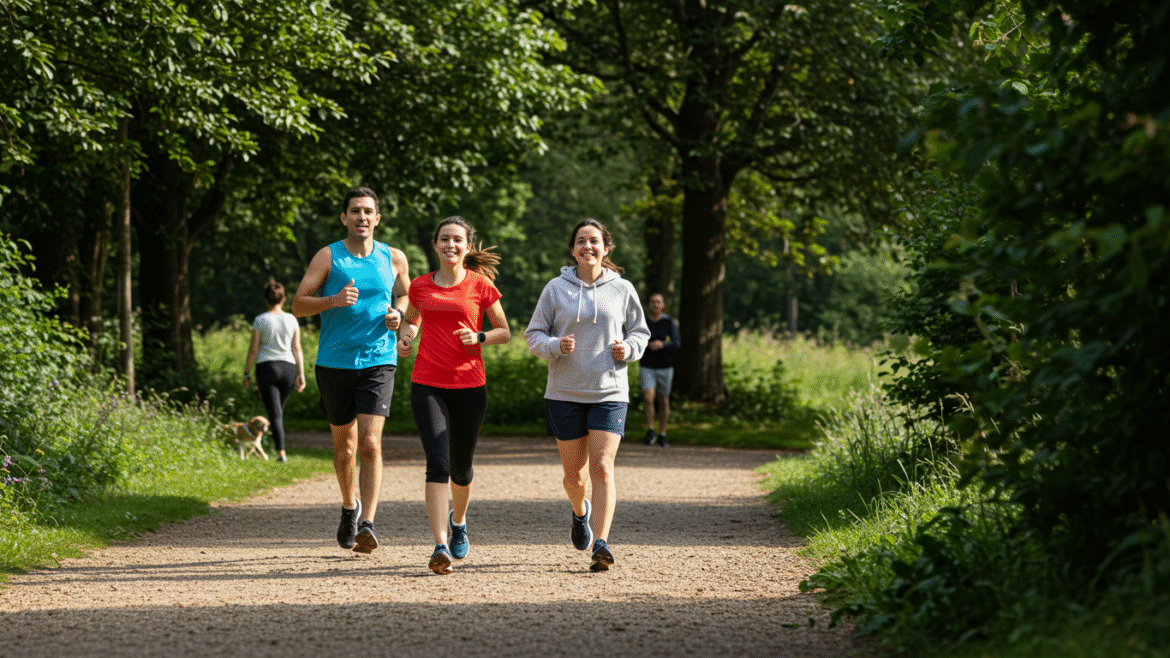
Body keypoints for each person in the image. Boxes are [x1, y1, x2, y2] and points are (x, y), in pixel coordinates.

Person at [525, 218, 649, 572]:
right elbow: (533, 334)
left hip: (610, 390)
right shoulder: (555, 289)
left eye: (594, 241)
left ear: (606, 248)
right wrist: (554, 345)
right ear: (572, 249)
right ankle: (580, 513)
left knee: (602, 467)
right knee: (573, 475)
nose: (588, 246)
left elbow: (640, 332)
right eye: (581, 241)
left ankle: (601, 542)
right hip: (564, 392)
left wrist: (628, 348)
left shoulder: (622, 289)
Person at [292, 187, 409, 555]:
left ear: (377, 218)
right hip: (334, 362)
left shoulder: (394, 258)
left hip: (378, 359)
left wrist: (399, 314)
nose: (362, 217)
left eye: (368, 211)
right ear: (345, 218)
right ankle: (348, 506)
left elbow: (406, 295)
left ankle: (368, 523)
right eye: (355, 211)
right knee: (345, 447)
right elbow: (297, 305)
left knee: (371, 442)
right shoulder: (329, 256)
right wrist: (333, 300)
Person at [396, 216, 510, 574]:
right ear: (435, 245)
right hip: (427, 383)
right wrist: (406, 336)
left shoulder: (480, 286)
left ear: (468, 246)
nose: (451, 245)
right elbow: (411, 319)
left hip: (470, 385)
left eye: (457, 239)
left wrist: (479, 338)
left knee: (461, 469)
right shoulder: (419, 286)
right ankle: (439, 545)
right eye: (444, 239)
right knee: (438, 463)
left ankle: (458, 521)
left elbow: (504, 331)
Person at [243, 281, 307, 462]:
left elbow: (253, 349)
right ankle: (272, 446)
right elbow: (297, 349)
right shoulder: (292, 319)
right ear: (284, 299)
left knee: (275, 413)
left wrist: (247, 373)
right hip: (288, 368)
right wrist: (301, 374)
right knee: (278, 411)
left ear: (265, 300)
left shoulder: (260, 320)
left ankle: (280, 453)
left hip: (267, 368)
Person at [639, 293, 680, 447]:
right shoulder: (643, 321)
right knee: (648, 398)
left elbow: (677, 342)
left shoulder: (669, 322)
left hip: (665, 366)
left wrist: (663, 345)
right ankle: (650, 430)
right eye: (653, 302)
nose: (655, 304)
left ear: (663, 305)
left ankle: (662, 433)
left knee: (663, 400)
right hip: (647, 365)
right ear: (649, 304)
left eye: (658, 302)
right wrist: (647, 344)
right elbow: (636, 338)